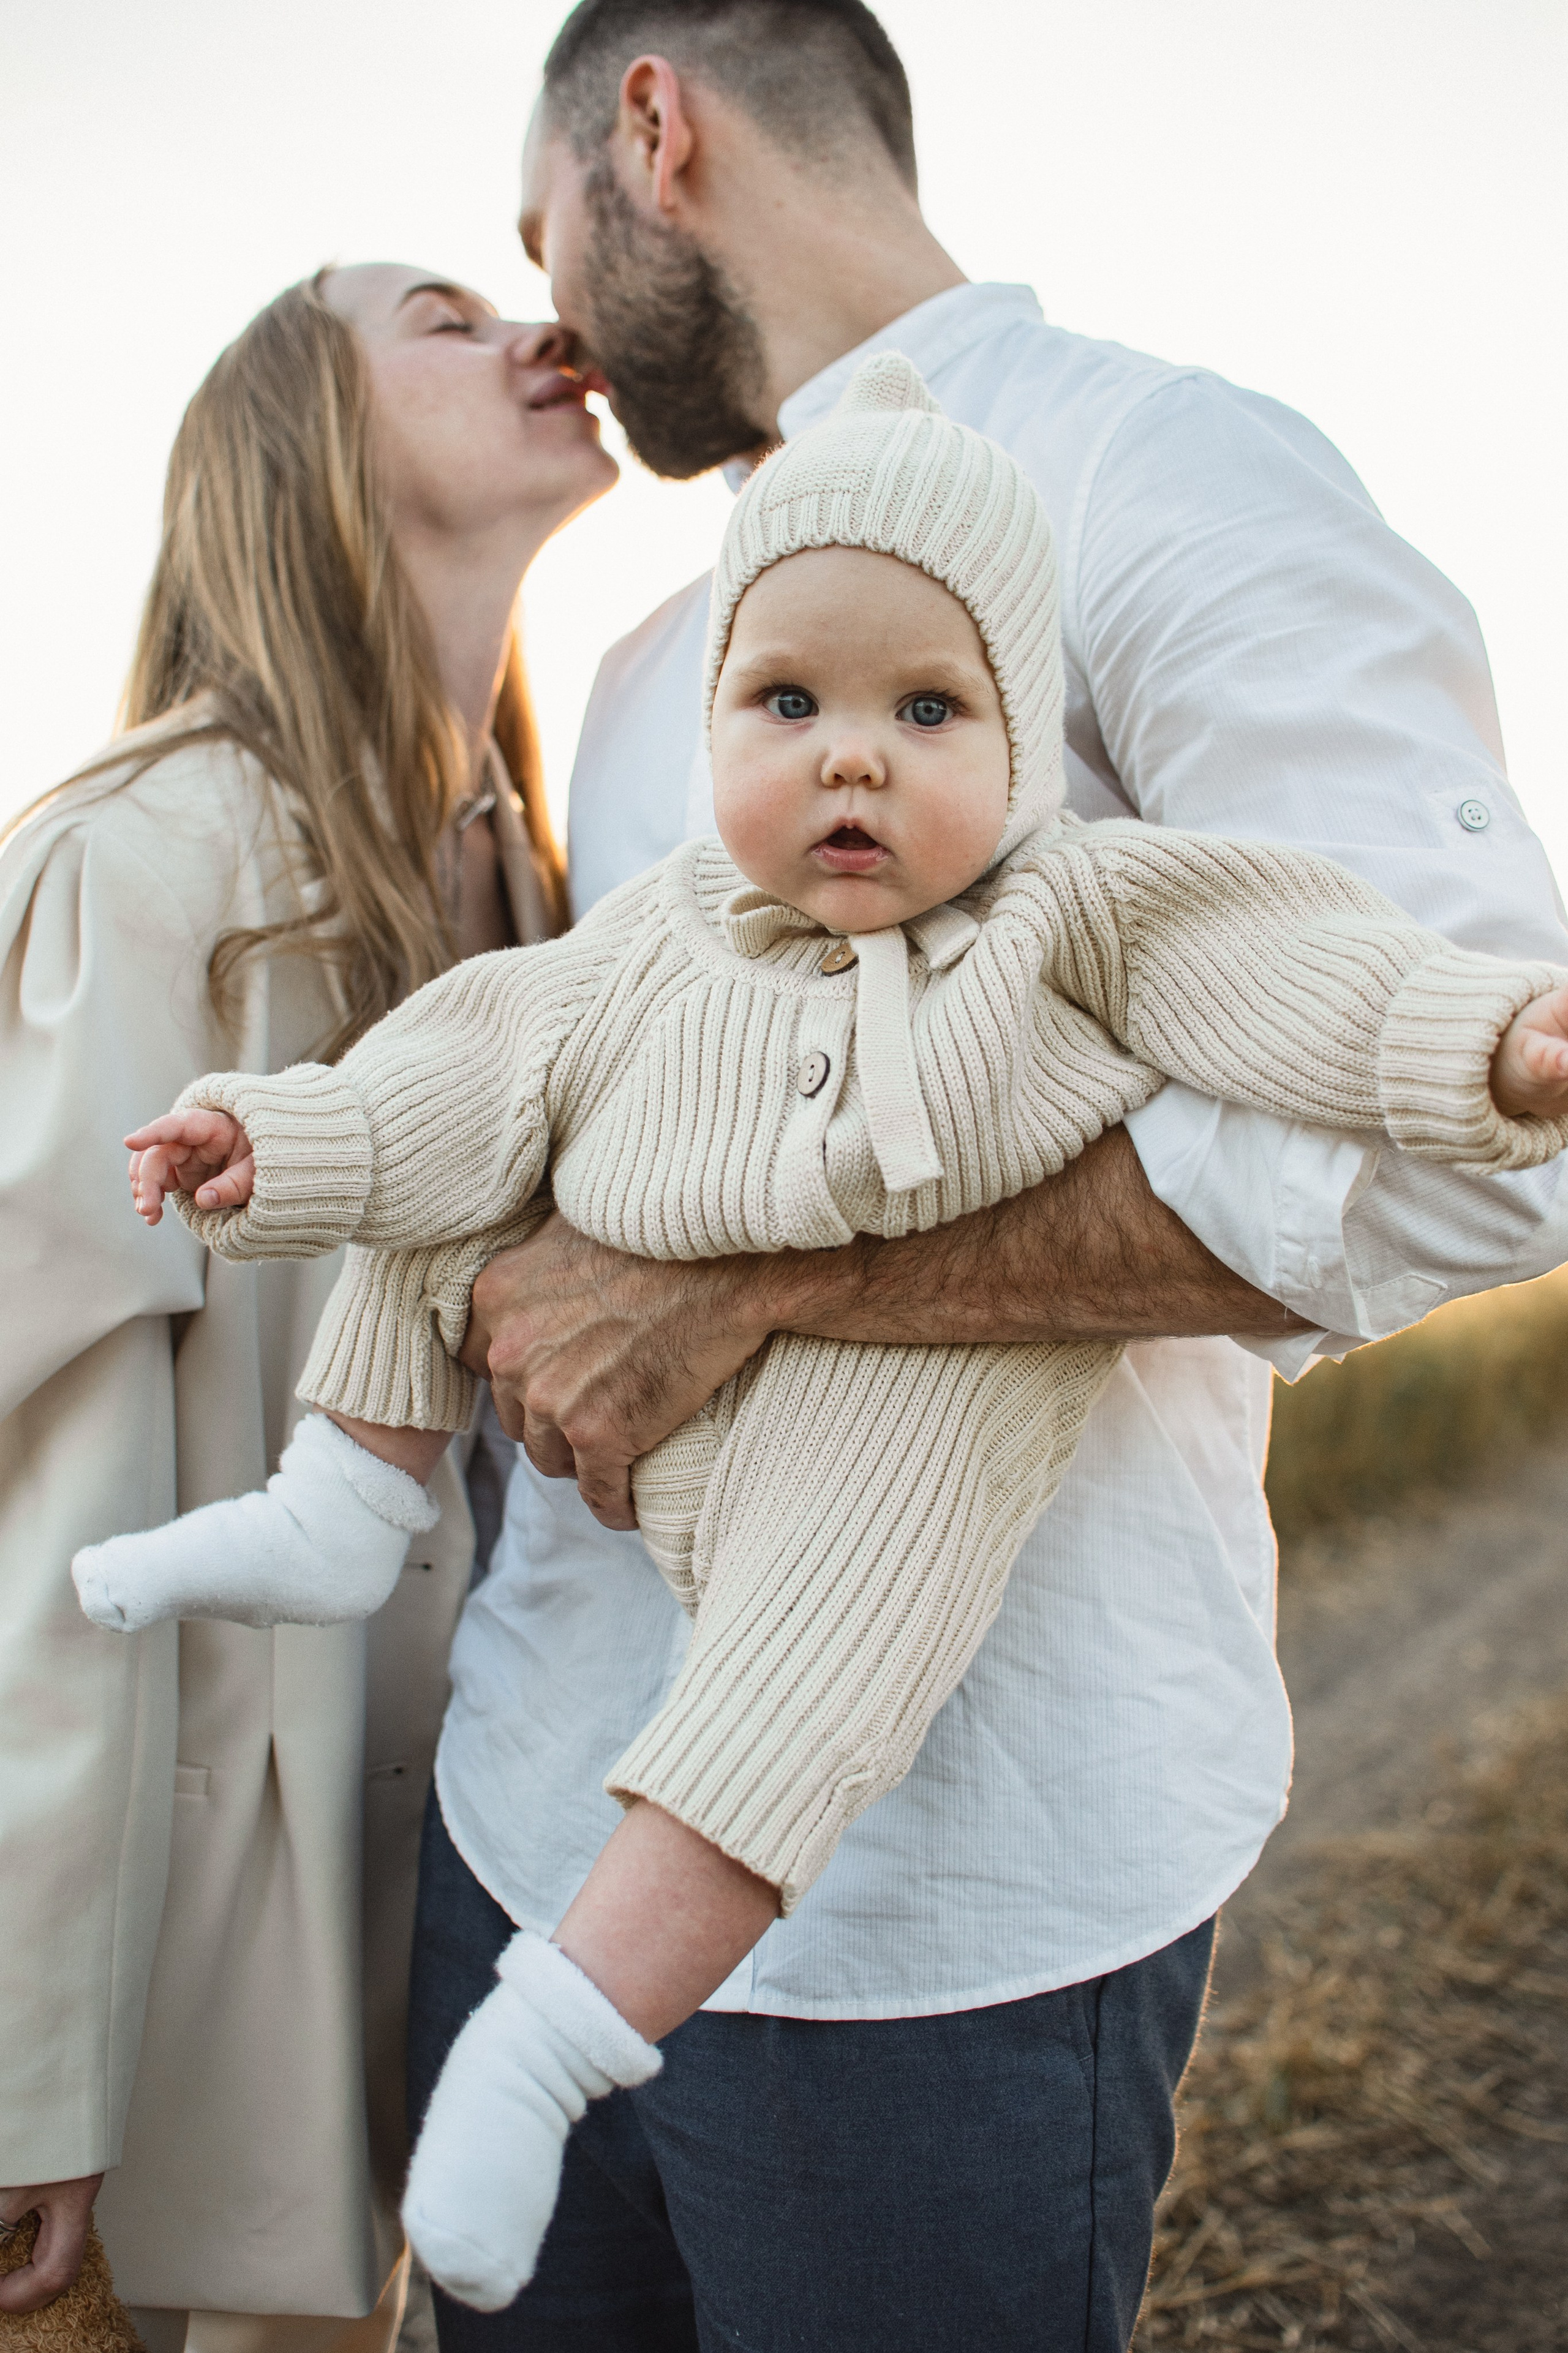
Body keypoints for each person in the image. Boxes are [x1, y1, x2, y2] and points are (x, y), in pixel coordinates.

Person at [83, 353, 1568, 2314]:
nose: (850, 758)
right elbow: (465, 1068)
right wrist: (282, 1136)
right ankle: (337, 1498)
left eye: (925, 711)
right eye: (789, 705)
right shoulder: (661, 918)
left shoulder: (1078, 907)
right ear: (720, 717)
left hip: (888, 1472)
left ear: (1022, 746)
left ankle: (560, 2029)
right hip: (528, 1740)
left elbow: (1294, 961)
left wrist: (1485, 1042)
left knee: (801, 1673)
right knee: (463, 1141)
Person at [396, 4, 1568, 2348]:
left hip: (940, 1931)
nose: (553, 323)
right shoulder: (653, 659)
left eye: (547, 241)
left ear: (654, 129)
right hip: (525, 1819)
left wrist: (748, 1286)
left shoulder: (1168, 472)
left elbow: (1483, 1138)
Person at [0, 262, 614, 2351]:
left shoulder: (536, 879)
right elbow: (48, 1518)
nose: (544, 331)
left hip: (476, 1867)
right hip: (199, 1945)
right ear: (307, 443)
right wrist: (30, 2062)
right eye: (446, 316)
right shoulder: (144, 866)